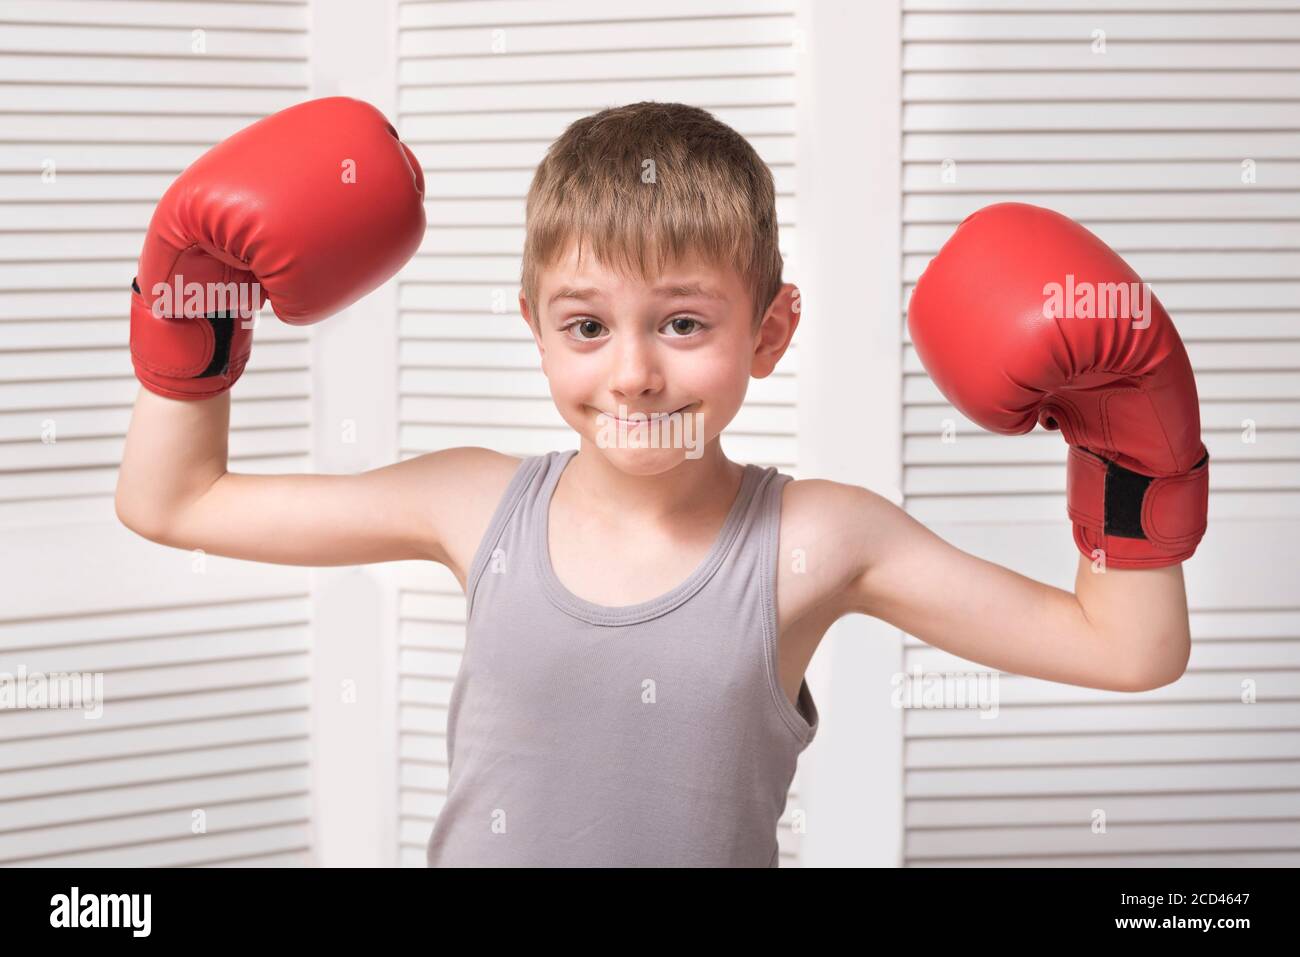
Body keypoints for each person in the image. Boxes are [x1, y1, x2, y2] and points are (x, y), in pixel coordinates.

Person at [115, 98, 1209, 868]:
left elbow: (1127, 648)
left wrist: (1123, 450)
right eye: (586, 326)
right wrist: (194, 307)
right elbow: (173, 502)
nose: (634, 372)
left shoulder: (817, 540)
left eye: (684, 323)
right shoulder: (471, 503)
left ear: (770, 332)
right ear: (535, 332)